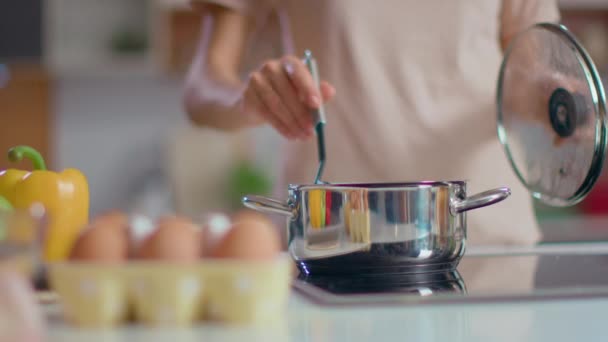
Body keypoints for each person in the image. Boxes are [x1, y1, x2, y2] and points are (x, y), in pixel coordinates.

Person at [183, 0, 561, 246]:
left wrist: (553, 102)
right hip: (335, 243)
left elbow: (527, 76)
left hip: (482, 237)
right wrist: (253, 99)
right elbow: (201, 89)